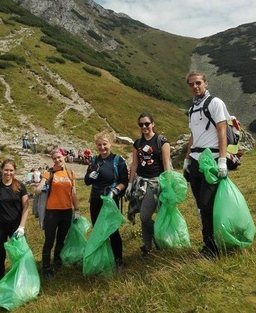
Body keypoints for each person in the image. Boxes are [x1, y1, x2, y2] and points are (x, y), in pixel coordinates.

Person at [183, 71, 229, 260]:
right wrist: (186, 159)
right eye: (191, 84)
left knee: (206, 203)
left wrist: (223, 160)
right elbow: (193, 136)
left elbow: (222, 130)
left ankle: (214, 248)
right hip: (195, 159)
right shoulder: (192, 108)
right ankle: (208, 245)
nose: (195, 87)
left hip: (211, 158)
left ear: (206, 84)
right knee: (201, 207)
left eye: (198, 83)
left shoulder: (215, 103)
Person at [126, 112, 172, 256]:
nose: (144, 127)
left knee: (145, 216)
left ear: (153, 124)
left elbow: (166, 164)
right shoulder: (137, 143)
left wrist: (168, 184)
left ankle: (160, 238)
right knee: (143, 217)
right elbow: (134, 164)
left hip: (155, 183)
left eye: (147, 123)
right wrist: (130, 183)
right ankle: (147, 246)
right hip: (140, 183)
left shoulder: (161, 141)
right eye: (141, 124)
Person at [84, 131, 128, 269]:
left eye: (104, 144)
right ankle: (102, 260)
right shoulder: (94, 161)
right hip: (96, 199)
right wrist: (92, 174)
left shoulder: (117, 160)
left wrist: (115, 191)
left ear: (110, 144)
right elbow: (86, 182)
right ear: (96, 146)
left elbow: (124, 181)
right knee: (98, 230)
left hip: (110, 200)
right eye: (99, 145)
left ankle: (118, 260)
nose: (102, 148)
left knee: (112, 230)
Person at [33, 149, 79, 279]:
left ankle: (57, 260)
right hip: (52, 212)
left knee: (61, 239)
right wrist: (38, 189)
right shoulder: (50, 172)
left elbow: (73, 192)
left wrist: (77, 209)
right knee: (49, 240)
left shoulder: (70, 173)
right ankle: (46, 267)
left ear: (64, 156)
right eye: (54, 159)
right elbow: (41, 185)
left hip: (66, 211)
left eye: (59, 157)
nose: (57, 160)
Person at [0, 159, 29, 282]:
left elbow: (26, 206)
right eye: (6, 170)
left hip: (16, 227)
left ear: (14, 171)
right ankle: (0, 281)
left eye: (11, 170)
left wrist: (22, 226)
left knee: (20, 254)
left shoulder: (20, 186)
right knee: (0, 256)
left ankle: (21, 280)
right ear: (1, 170)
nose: (8, 173)